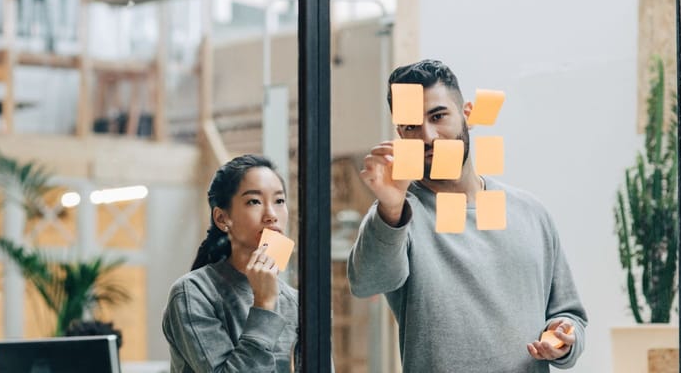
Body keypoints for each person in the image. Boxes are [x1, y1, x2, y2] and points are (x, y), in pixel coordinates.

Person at [347, 59, 588, 372]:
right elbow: (366, 283)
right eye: (410, 126)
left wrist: (563, 338)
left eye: (438, 116)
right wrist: (390, 208)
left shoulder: (531, 212)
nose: (428, 136)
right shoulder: (399, 216)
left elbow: (570, 315)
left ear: (467, 114)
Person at [162, 154, 299, 372]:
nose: (271, 215)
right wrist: (264, 304)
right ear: (222, 219)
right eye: (254, 201)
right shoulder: (193, 293)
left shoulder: (296, 302)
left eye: (279, 201)